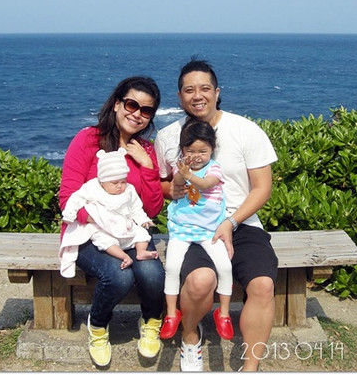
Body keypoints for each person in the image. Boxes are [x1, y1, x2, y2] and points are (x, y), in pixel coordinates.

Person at [155, 58, 278, 372]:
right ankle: (190, 335)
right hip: (194, 226)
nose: (198, 95)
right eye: (189, 90)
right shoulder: (167, 137)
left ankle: (250, 367)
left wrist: (231, 222)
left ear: (217, 92)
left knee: (263, 285)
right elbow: (162, 184)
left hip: (241, 222)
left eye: (205, 88)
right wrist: (175, 188)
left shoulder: (244, 130)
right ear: (180, 96)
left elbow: (262, 188)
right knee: (200, 281)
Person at [59, 76, 165, 368]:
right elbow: (67, 198)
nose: (137, 114)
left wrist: (147, 166)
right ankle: (98, 325)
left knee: (152, 274)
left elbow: (152, 208)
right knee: (119, 276)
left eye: (146, 110)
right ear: (117, 104)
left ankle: (151, 323)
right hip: (89, 233)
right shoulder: (88, 140)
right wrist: (101, 222)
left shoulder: (144, 149)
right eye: (132, 105)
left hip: (130, 232)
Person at [160, 118, 234, 342]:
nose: (197, 156)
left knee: (224, 267)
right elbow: (177, 182)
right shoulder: (182, 167)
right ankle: (171, 314)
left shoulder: (214, 168)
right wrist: (182, 171)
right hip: (181, 229)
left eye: (203, 151)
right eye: (190, 151)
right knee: (172, 267)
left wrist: (189, 175)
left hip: (209, 230)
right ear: (182, 150)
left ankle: (224, 313)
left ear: (212, 149)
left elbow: (205, 184)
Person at [59, 148, 159, 274]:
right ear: (102, 181)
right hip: (104, 228)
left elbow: (136, 207)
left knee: (142, 233)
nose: (120, 186)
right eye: (114, 183)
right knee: (103, 240)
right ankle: (123, 256)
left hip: (126, 226)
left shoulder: (129, 190)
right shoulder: (92, 188)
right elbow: (75, 199)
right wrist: (69, 215)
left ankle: (141, 251)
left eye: (123, 181)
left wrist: (143, 220)